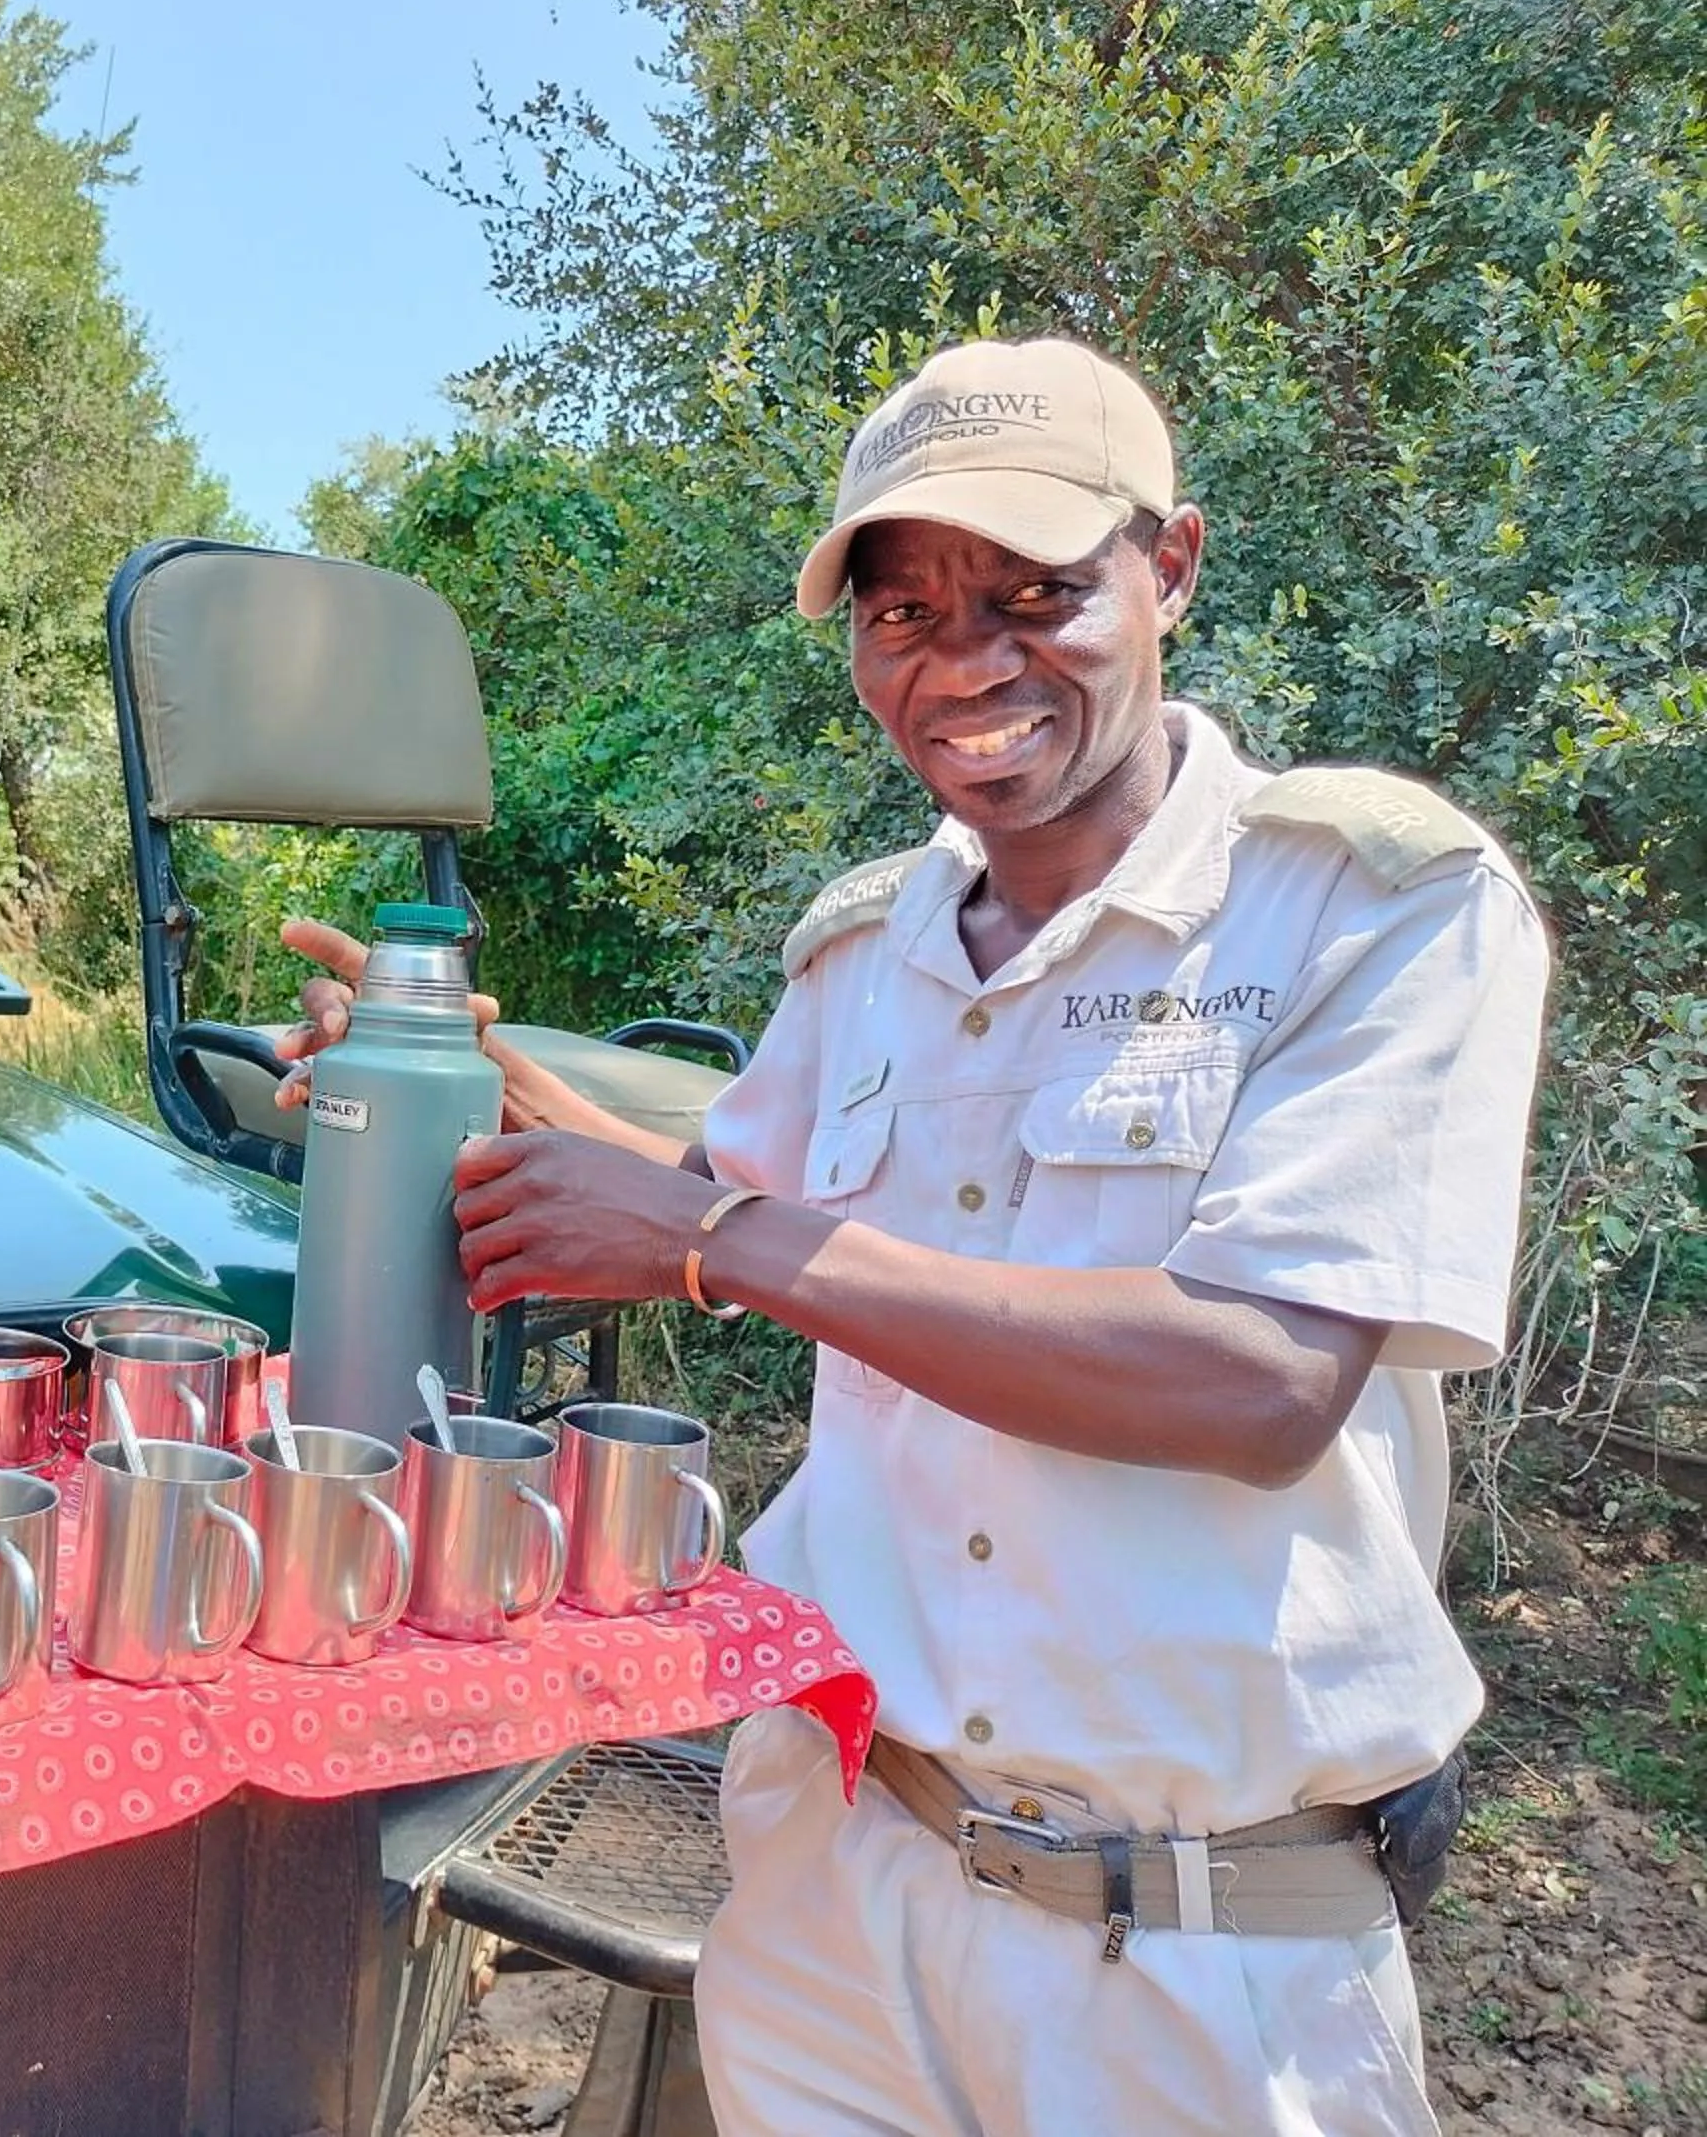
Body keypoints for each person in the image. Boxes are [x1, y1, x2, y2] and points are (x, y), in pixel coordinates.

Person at [275, 337, 1551, 2134]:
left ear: (1170, 564)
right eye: (904, 611)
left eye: (1038, 593)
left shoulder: (1366, 903)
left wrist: (719, 1236)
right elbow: (706, 1188)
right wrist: (427, 1083)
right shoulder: (866, 950)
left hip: (1196, 1955)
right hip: (844, 1880)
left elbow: (1264, 1378)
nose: (964, 662)